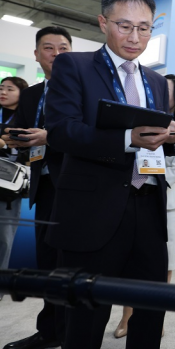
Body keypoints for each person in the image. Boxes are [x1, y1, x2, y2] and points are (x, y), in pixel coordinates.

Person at [43, 0, 175, 349]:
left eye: (144, 28)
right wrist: (126, 139)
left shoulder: (156, 80)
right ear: (103, 22)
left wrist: (173, 136)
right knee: (86, 318)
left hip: (149, 206)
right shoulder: (74, 66)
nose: (135, 37)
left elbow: (152, 136)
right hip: (93, 208)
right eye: (125, 26)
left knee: (150, 310)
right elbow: (60, 131)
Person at [2, 26, 71, 349]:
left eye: (63, 48)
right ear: (36, 54)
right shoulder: (31, 95)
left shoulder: (84, 90)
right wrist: (13, 137)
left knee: (73, 263)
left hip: (78, 187)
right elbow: (19, 130)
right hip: (42, 184)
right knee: (47, 261)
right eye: (48, 48)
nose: (56, 54)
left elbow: (88, 134)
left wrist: (49, 137)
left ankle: (74, 333)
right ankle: (50, 331)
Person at [113, 74, 175, 339]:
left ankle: (155, 316)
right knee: (129, 259)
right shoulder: (141, 121)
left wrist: (151, 181)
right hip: (130, 196)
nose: (157, 91)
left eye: (165, 89)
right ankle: (127, 315)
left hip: (166, 201)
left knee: (163, 263)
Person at [0, 77, 29, 274]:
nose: (3, 92)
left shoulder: (26, 118)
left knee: (3, 236)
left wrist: (5, 141)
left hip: (8, 185)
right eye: (1, 88)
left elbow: (27, 145)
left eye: (10, 89)